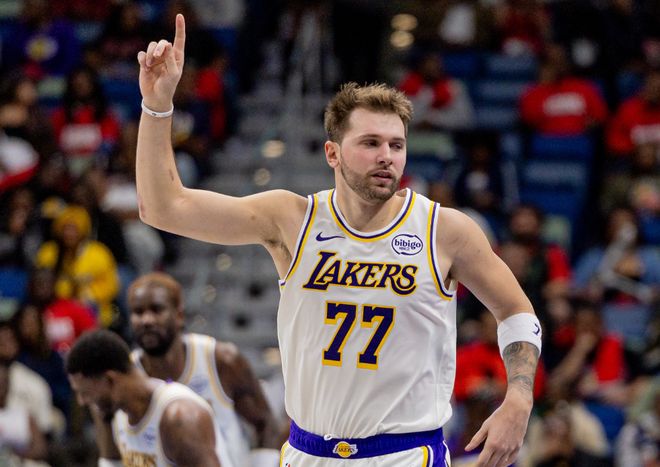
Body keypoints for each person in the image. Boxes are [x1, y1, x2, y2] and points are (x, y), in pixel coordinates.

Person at [135, 15, 542, 466]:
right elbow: (163, 208)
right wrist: (157, 107)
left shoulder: (443, 230)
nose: (386, 157)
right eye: (370, 143)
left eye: (396, 145)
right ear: (332, 153)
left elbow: (517, 312)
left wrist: (519, 398)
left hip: (404, 455)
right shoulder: (292, 219)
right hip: (309, 452)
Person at [118, 272, 280, 466]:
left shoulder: (221, 360)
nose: (147, 320)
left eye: (156, 309)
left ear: (179, 315)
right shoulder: (122, 375)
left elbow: (266, 424)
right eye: (138, 312)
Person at [66, 329, 230, 467]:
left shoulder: (180, 418)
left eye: (85, 393)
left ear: (110, 380)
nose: (82, 401)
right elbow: (111, 463)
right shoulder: (112, 412)